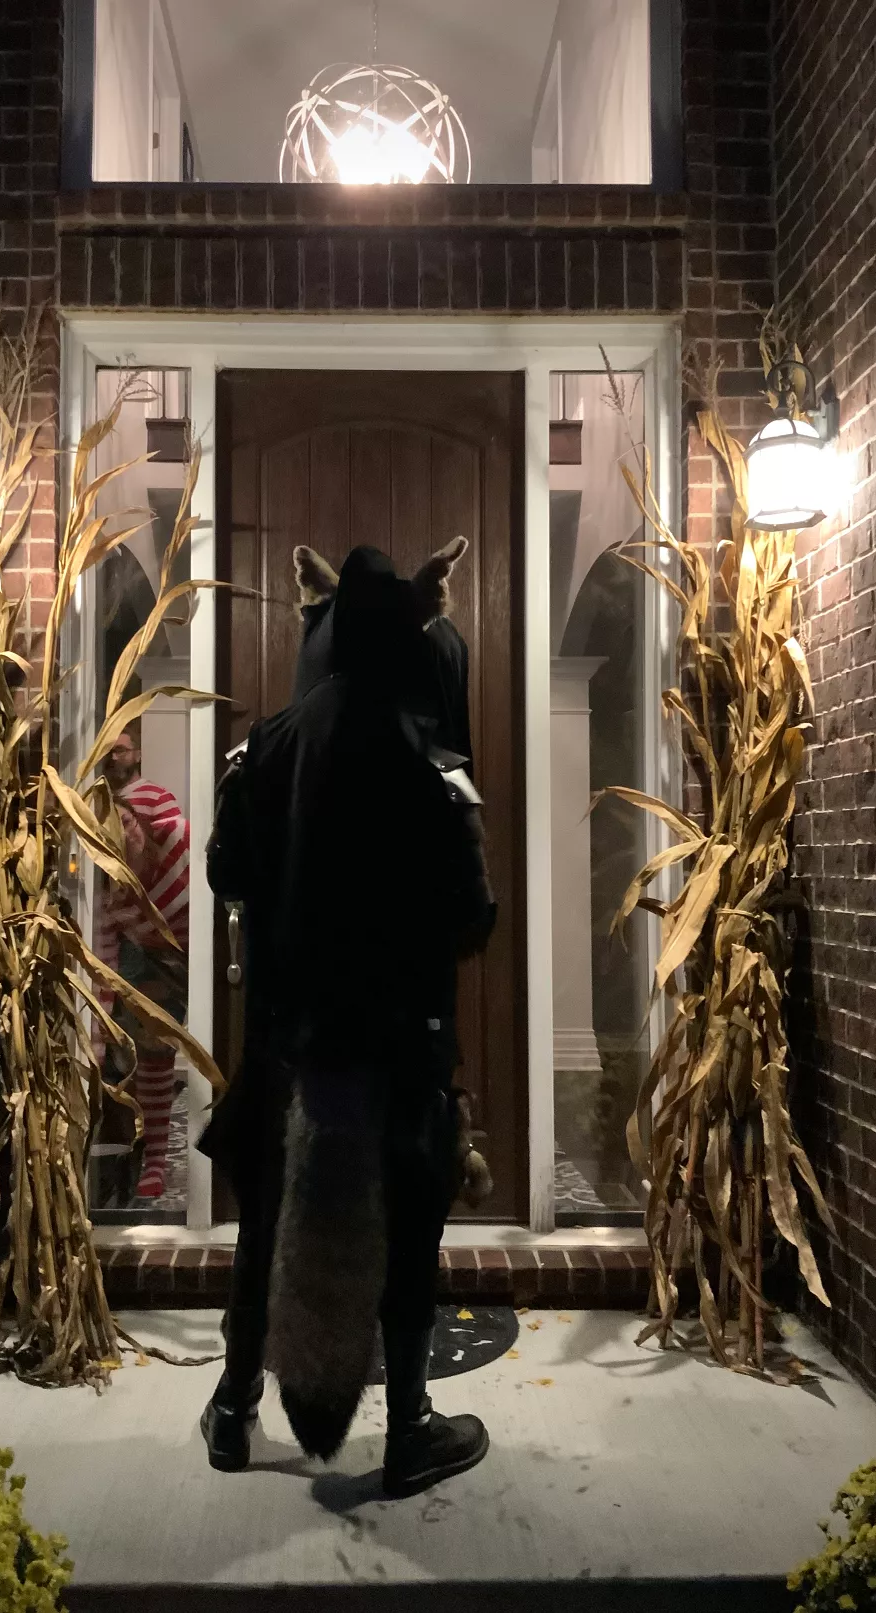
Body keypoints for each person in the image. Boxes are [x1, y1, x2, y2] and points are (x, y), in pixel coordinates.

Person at [198, 540, 497, 1498]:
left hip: (290, 1038)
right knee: (409, 1224)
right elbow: (473, 916)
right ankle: (407, 1427)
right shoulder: (433, 760)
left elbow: (225, 875)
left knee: (267, 1221)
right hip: (400, 1045)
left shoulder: (263, 746)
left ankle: (236, 1413)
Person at [94, 730, 190, 1200]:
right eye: (113, 830)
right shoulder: (110, 897)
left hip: (202, 943)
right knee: (149, 1050)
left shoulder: (176, 846)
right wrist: (96, 1036)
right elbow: (104, 965)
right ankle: (151, 1158)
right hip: (150, 951)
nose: (123, 834)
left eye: (129, 824)